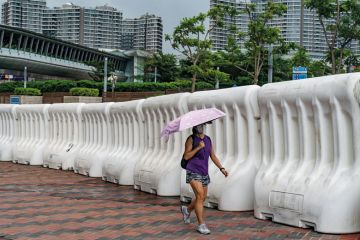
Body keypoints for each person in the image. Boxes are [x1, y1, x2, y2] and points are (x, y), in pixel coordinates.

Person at [180, 123, 228, 234]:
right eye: (198, 126)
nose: (201, 127)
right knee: (200, 195)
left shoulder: (208, 139)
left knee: (202, 197)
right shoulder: (191, 139)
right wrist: (198, 147)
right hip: (193, 170)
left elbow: (213, 156)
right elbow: (186, 156)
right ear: (194, 127)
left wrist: (222, 168)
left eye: (202, 125)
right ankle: (201, 225)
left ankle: (187, 210)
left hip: (204, 172)